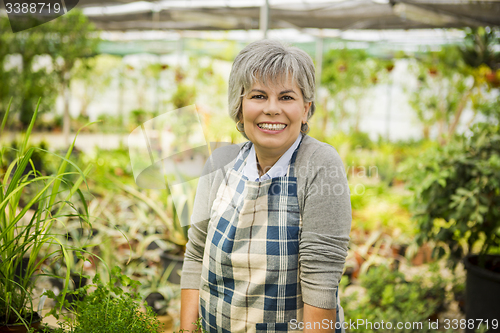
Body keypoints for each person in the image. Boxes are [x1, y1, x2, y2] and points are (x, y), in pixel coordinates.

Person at [180, 39, 351, 333]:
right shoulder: (221, 161)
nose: (272, 109)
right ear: (240, 106)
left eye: (286, 97)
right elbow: (196, 256)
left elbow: (321, 282)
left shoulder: (319, 164)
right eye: (258, 96)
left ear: (306, 109)